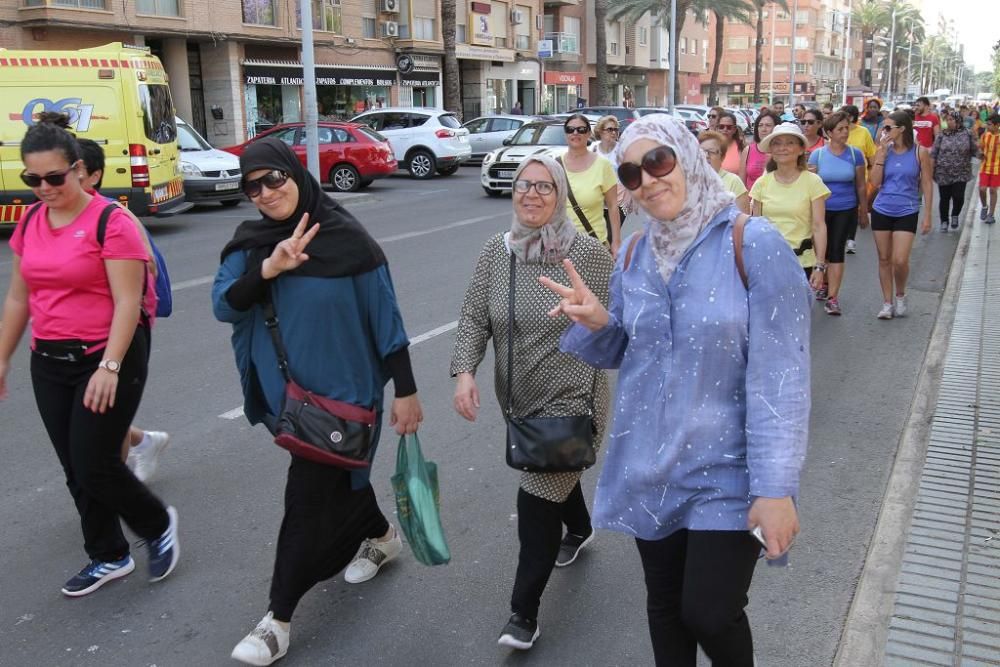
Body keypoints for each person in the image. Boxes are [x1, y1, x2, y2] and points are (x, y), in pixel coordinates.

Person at [540, 114, 810, 667]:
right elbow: (629, 349)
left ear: (686, 158)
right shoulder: (636, 254)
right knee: (664, 608)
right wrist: (598, 323)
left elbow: (782, 377)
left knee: (709, 611)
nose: (650, 180)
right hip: (653, 464)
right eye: (633, 174)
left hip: (728, 470)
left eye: (659, 161)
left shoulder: (752, 242)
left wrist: (776, 487)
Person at [214, 138, 423, 665]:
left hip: (347, 397)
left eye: (275, 179)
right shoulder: (251, 244)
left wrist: (406, 392)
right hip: (288, 399)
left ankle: (277, 619)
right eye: (252, 186)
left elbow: (387, 321)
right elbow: (224, 305)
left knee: (306, 500)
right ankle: (380, 535)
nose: (265, 193)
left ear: (296, 174)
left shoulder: (348, 240)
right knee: (340, 476)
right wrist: (269, 269)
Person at [0, 113, 179, 598]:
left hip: (107, 352)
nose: (44, 187)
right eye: (32, 179)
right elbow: (19, 297)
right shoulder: (33, 220)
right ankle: (108, 555)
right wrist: (3, 358)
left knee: (95, 460)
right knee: (74, 467)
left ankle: (157, 522)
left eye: (54, 177)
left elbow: (127, 300)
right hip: (50, 358)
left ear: (78, 169)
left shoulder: (110, 221)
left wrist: (110, 366)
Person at [450, 154, 614, 651]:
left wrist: (599, 318)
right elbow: (475, 316)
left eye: (545, 186)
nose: (532, 195)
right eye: (524, 185)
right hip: (521, 402)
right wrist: (464, 373)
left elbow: (626, 322)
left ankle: (523, 614)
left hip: (575, 402)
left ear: (560, 194)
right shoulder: (495, 253)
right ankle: (581, 527)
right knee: (553, 471)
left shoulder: (587, 255)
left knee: (537, 498)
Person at [76, 138, 171, 481]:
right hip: (75, 338)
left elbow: (149, 270)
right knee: (89, 415)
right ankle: (144, 442)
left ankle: (117, 493)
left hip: (120, 333)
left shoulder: (115, 216)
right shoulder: (54, 216)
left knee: (104, 418)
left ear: (94, 176)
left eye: (74, 171)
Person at [869, 111, 934, 319]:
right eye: (883, 127)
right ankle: (887, 303)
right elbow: (875, 182)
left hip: (907, 209)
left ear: (902, 129)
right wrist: (880, 155)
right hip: (882, 208)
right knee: (884, 258)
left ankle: (900, 294)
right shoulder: (883, 151)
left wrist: (928, 215)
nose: (884, 131)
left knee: (900, 260)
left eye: (888, 128)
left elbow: (926, 183)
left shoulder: (919, 152)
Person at [750, 123, 830, 289]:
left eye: (789, 143)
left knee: (800, 313)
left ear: (801, 150)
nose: (782, 148)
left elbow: (818, 226)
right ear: (771, 150)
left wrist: (820, 266)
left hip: (802, 262)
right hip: (768, 261)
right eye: (777, 143)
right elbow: (755, 228)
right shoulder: (762, 183)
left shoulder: (813, 182)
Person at [808, 112, 868, 315]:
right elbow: (810, 186)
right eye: (840, 129)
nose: (845, 132)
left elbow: (860, 185)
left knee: (836, 250)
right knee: (820, 251)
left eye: (847, 128)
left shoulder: (855, 154)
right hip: (821, 210)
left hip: (846, 208)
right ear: (829, 132)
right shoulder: (818, 155)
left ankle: (833, 297)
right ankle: (823, 282)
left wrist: (864, 210)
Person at [559, 114, 621, 255]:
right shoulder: (555, 165)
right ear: (566, 134)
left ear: (588, 134)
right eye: (570, 129)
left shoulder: (602, 165)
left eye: (581, 129)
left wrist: (616, 242)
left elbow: (612, 206)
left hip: (593, 246)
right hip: (560, 246)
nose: (575, 133)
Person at [931, 109, 978, 231]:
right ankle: (944, 221)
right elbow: (934, 153)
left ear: (958, 121)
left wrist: (982, 155)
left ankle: (955, 214)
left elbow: (974, 149)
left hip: (961, 172)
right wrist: (931, 169)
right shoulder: (941, 135)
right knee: (944, 198)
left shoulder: (967, 134)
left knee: (958, 196)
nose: (949, 122)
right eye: (948, 120)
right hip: (943, 172)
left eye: (951, 120)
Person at [843, 104, 877, 254]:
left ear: (851, 117)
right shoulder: (837, 132)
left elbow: (871, 155)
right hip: (840, 177)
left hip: (859, 177)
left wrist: (874, 172)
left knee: (852, 208)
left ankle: (850, 239)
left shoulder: (863, 132)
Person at [591, 115, 631, 224]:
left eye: (616, 130)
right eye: (610, 129)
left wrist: (628, 199)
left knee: (611, 237)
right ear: (600, 131)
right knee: (598, 237)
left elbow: (631, 175)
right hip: (597, 203)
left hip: (618, 202)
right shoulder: (593, 149)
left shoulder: (622, 150)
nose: (613, 132)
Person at [699, 130, 750, 213]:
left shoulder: (734, 182)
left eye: (711, 152)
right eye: (702, 152)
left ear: (722, 157)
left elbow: (742, 219)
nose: (706, 156)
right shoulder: (691, 180)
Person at [741, 111, 780, 191]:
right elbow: (741, 183)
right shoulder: (748, 150)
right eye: (760, 125)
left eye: (768, 125)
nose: (763, 129)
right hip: (751, 200)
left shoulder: (782, 151)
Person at [979, 113, 1000, 224]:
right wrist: (980, 154)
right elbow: (981, 148)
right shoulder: (985, 135)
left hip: (997, 169)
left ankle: (991, 215)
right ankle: (984, 206)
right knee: (982, 189)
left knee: (993, 190)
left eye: (990, 124)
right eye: (987, 124)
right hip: (984, 167)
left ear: (997, 125)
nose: (987, 126)